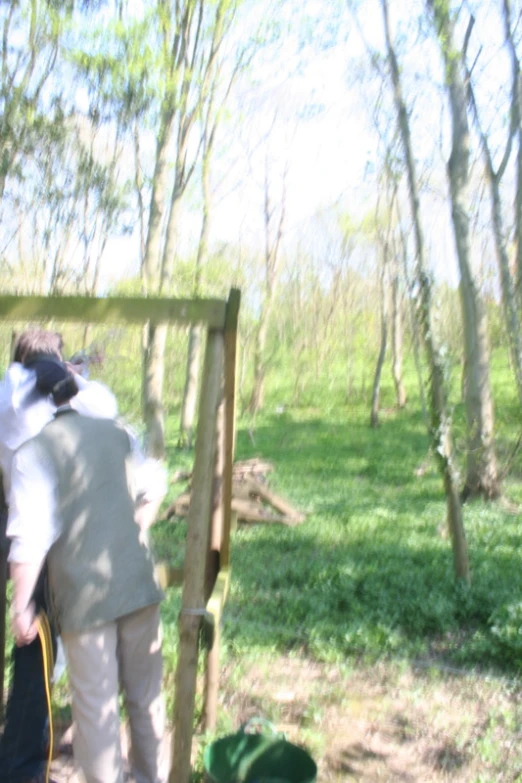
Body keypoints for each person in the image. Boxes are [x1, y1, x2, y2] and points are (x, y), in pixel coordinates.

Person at [7, 361, 167, 783]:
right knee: (147, 698)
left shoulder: (33, 454)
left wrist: (21, 607)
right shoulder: (118, 433)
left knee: (96, 712)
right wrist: (126, 533)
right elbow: (155, 486)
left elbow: (30, 539)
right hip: (139, 585)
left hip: (84, 598)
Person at [0, 329, 118, 783]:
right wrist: (68, 376)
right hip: (52, 539)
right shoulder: (66, 398)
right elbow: (102, 405)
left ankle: (21, 762)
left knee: (38, 653)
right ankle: (22, 764)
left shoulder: (18, 394)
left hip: (37, 537)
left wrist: (61, 373)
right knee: (41, 654)